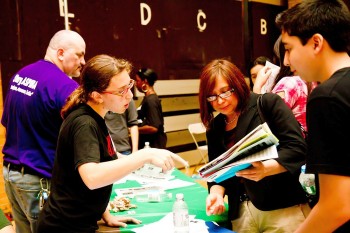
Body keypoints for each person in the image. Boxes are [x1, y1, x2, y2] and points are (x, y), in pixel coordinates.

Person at [36, 54, 187, 233]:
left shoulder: (97, 116)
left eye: (129, 85)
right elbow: (92, 177)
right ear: (97, 96)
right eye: (121, 91)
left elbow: (101, 162)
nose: (130, 95)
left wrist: (105, 213)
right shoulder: (84, 123)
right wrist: (143, 156)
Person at [199, 59, 309, 233]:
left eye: (225, 92)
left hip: (281, 208)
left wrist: (267, 168)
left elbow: (298, 148)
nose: (219, 101)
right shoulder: (215, 127)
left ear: (237, 84)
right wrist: (216, 194)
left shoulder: (267, 104)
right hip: (241, 213)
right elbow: (217, 171)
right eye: (212, 96)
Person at [276, 0, 350, 232]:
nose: (286, 61)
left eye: (288, 49)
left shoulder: (326, 97)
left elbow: (338, 205)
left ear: (316, 43)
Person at [1, 29, 86, 233]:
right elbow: (81, 141)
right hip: (39, 182)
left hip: (12, 177)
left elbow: (6, 122)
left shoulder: (21, 75)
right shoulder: (66, 86)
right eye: (80, 54)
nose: (83, 62)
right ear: (61, 53)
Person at [253, 35, 309, 131]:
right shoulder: (313, 81)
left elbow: (263, 123)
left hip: (285, 143)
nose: (285, 62)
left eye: (288, 50)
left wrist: (257, 87)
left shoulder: (290, 83)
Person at [135, 68, 167, 149]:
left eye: (137, 80)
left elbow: (153, 127)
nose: (136, 84)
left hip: (154, 145)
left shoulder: (151, 100)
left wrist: (133, 129)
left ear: (145, 81)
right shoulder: (148, 98)